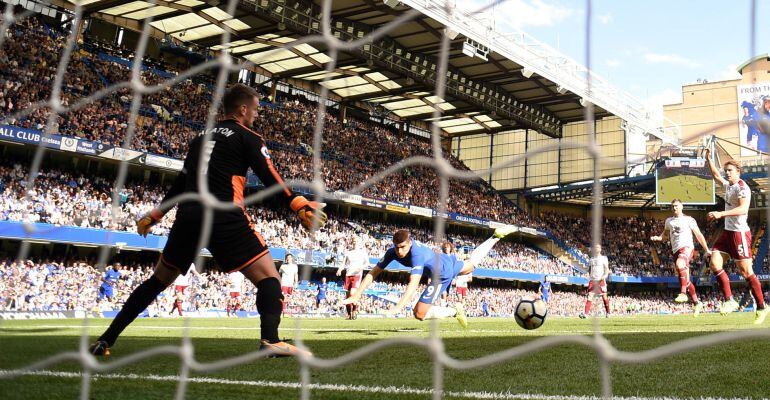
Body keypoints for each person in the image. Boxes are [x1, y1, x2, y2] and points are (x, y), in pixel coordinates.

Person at [88, 83, 327, 357]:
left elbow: (181, 181)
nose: (257, 115)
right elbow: (269, 175)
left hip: (187, 216)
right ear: (243, 109)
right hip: (222, 213)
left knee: (157, 281)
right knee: (269, 278)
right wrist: (298, 204)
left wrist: (155, 215)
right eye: (256, 109)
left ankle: (106, 340)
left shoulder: (199, 139)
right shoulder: (248, 137)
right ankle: (270, 340)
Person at [342, 226, 516, 328]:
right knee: (470, 264)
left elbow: (413, 284)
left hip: (442, 274)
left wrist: (398, 307)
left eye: (402, 247)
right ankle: (495, 236)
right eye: (396, 247)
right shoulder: (392, 252)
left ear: (409, 243)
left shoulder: (417, 254)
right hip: (445, 261)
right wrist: (357, 295)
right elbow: (373, 273)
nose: (399, 251)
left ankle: (455, 311)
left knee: (419, 313)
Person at [704, 148, 767, 324]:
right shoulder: (729, 185)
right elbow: (716, 175)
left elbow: (743, 209)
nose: (728, 174)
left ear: (738, 172)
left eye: (730, 171)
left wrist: (720, 214)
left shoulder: (742, 188)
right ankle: (729, 300)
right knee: (714, 263)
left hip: (740, 234)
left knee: (746, 272)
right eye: (727, 171)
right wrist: (708, 159)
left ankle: (762, 307)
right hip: (727, 233)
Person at [650, 199, 710, 316]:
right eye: (672, 206)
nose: (674, 208)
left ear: (682, 206)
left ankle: (683, 293)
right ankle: (697, 303)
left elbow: (698, 234)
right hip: (676, 250)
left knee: (680, 264)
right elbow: (665, 235)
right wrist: (659, 238)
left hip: (687, 248)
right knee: (686, 281)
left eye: (676, 206)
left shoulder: (689, 220)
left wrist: (706, 249)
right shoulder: (669, 221)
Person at [336, 236, 369, 319]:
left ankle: (354, 310)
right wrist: (340, 270)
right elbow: (343, 263)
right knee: (347, 296)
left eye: (356, 240)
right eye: (353, 240)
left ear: (359, 242)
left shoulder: (363, 252)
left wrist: (361, 268)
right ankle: (349, 314)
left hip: (357, 275)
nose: (354, 242)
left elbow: (367, 263)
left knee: (352, 293)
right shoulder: (348, 252)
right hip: (348, 275)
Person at [580, 244, 610, 319]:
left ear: (600, 249)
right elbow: (589, 270)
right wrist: (589, 277)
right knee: (590, 296)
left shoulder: (604, 258)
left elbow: (606, 269)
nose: (596, 249)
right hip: (593, 280)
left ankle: (608, 312)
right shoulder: (591, 259)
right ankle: (586, 314)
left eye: (598, 247)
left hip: (601, 280)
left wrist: (604, 276)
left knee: (604, 297)